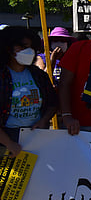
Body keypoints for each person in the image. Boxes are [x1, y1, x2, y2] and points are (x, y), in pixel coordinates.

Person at [0, 26, 57, 156]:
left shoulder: (39, 75)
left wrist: (44, 120)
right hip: (6, 139)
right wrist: (8, 143)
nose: (29, 51)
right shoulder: (2, 76)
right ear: (9, 48)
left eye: (31, 47)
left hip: (35, 135)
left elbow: (52, 103)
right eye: (24, 47)